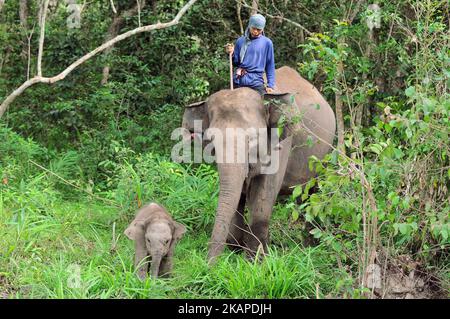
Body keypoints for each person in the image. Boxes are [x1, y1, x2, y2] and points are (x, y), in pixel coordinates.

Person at [225, 14, 275, 95]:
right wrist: (231, 53)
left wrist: (270, 85)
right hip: (239, 81)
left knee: (264, 105)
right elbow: (235, 63)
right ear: (249, 26)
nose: (255, 31)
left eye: (259, 29)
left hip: (256, 82)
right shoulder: (240, 41)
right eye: (253, 28)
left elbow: (270, 65)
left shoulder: (267, 43)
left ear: (262, 29)